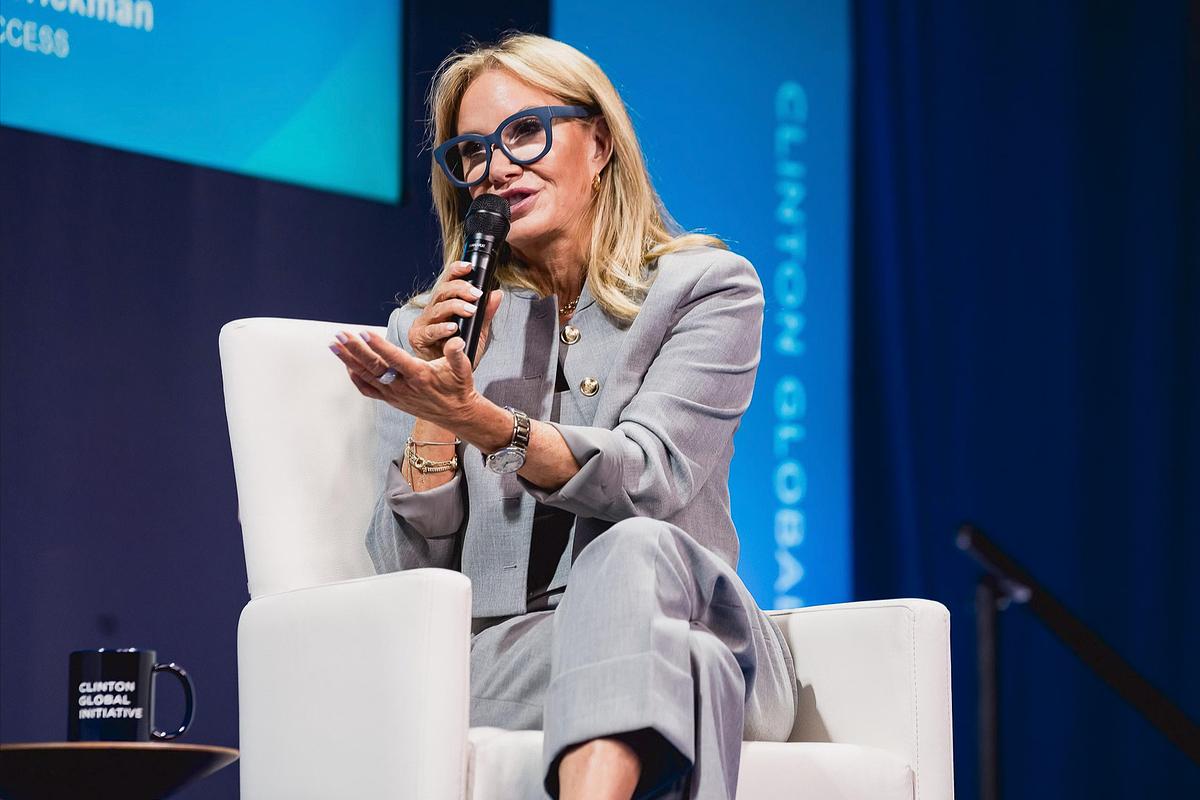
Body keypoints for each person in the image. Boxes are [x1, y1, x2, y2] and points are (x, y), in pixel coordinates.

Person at [329, 32, 797, 800]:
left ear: (600, 142)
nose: (496, 166)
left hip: (700, 617)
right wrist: (436, 416)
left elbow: (649, 479)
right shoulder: (423, 328)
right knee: (689, 670)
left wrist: (486, 423)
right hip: (516, 659)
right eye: (472, 150)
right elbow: (407, 581)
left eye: (524, 132)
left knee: (635, 551)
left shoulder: (707, 289)